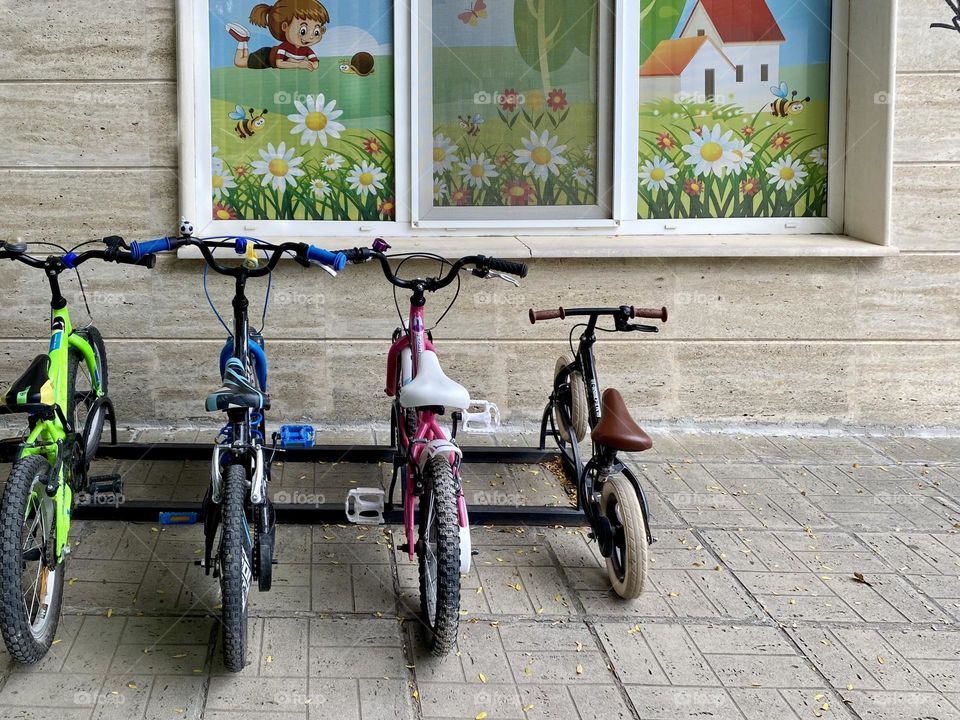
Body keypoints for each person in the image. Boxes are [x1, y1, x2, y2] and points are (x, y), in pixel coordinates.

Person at [227, 0, 329, 71]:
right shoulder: (284, 47)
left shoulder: (306, 50)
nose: (311, 36)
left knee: (244, 59)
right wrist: (299, 65)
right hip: (266, 57)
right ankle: (242, 40)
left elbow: (315, 63)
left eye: (316, 31)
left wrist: (312, 65)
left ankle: (244, 40)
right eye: (303, 31)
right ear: (285, 26)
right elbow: (279, 63)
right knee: (240, 62)